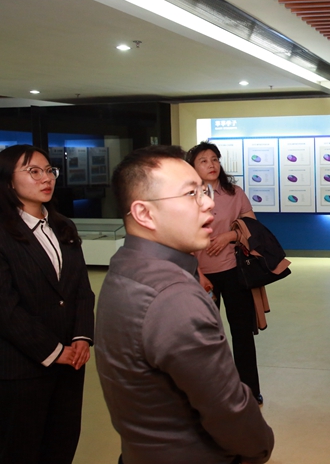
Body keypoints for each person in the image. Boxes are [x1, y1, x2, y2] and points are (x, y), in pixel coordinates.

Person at [95, 146, 273, 464]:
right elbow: (228, 411)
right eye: (191, 193)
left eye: (204, 191)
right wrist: (261, 448)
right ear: (144, 213)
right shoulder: (175, 297)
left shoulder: (124, 266)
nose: (209, 203)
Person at [0, 145, 94, 464]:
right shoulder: (3, 233)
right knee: (21, 450)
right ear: (8, 181)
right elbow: (5, 309)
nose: (46, 178)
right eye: (33, 171)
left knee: (61, 444)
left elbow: (81, 289)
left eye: (49, 171)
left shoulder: (63, 226)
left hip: (71, 363)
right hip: (22, 367)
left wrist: (81, 337)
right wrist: (54, 351)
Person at [186, 142, 262, 404]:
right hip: (200, 275)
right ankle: (211, 392)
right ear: (192, 167)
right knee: (206, 337)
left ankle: (249, 389)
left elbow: (252, 226)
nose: (211, 165)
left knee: (242, 333)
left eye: (215, 159)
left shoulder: (234, 193)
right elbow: (181, 238)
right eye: (204, 160)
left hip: (233, 271)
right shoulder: (185, 196)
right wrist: (198, 274)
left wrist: (230, 236)